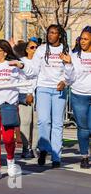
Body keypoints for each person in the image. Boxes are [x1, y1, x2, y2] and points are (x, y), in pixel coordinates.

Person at [0, 39, 34, 180]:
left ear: (5, 52)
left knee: (9, 138)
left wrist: (21, 65)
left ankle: (10, 161)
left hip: (8, 106)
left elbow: (31, 74)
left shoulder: (13, 65)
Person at [30, 24, 71, 168]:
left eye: (54, 33)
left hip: (59, 90)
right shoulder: (41, 50)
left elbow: (72, 71)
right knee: (43, 121)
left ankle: (56, 156)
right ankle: (43, 150)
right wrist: (31, 91)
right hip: (43, 88)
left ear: (59, 35)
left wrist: (65, 82)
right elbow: (34, 71)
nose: (50, 35)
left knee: (57, 124)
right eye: (49, 33)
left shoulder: (66, 50)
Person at [62, 26, 91, 169]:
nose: (82, 41)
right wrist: (68, 64)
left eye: (86, 39)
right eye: (81, 39)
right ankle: (84, 156)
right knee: (84, 128)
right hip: (79, 95)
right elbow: (69, 78)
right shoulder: (74, 56)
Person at [17, 39, 40, 159]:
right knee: (26, 122)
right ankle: (26, 148)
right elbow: (24, 78)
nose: (35, 50)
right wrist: (28, 93)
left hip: (38, 94)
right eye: (32, 47)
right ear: (26, 49)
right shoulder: (22, 61)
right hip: (24, 93)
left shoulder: (40, 62)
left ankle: (35, 147)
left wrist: (33, 92)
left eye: (36, 47)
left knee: (37, 123)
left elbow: (38, 78)